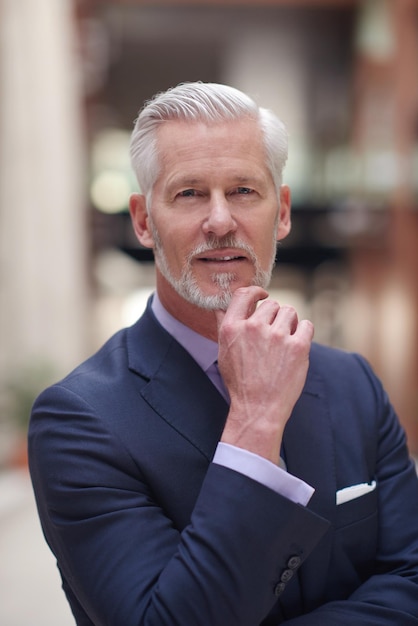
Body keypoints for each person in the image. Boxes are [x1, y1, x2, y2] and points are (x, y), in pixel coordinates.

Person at [28, 81, 418, 626]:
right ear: (143, 221)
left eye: (243, 191)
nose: (219, 220)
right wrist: (256, 419)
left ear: (280, 212)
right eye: (189, 194)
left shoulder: (354, 383)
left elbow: (412, 582)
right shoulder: (79, 420)